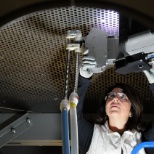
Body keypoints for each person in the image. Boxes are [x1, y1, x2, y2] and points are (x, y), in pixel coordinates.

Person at [77, 51, 154, 154]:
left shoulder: (143, 140)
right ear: (105, 109)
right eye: (111, 95)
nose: (115, 99)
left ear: (131, 111)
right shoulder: (92, 136)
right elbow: (73, 114)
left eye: (123, 96)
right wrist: (84, 78)